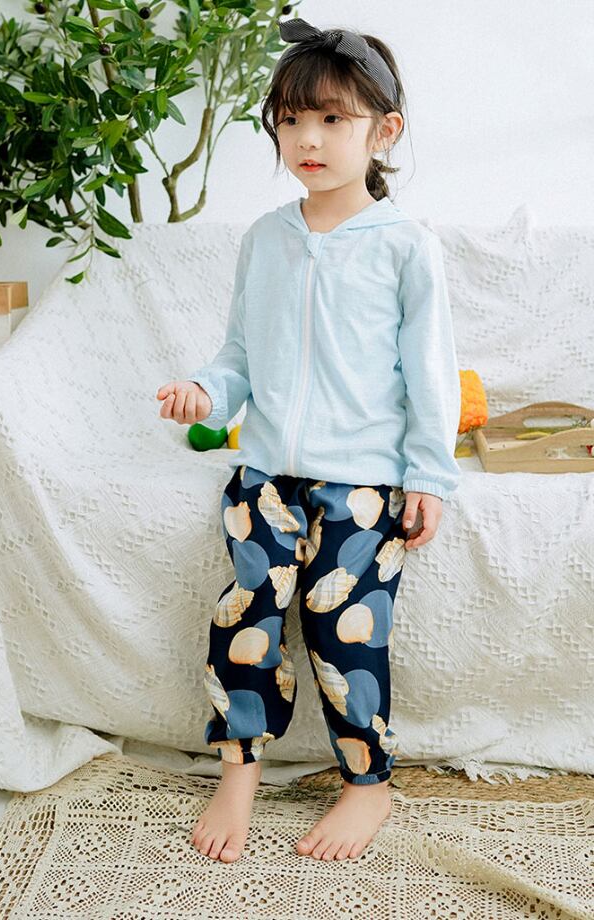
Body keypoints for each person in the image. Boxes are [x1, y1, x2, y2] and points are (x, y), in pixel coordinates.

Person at [156, 15, 461, 864]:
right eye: (290, 120)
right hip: (265, 475)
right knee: (246, 610)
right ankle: (239, 769)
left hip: (363, 482)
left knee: (343, 624)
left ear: (383, 131)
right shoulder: (266, 239)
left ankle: (368, 782)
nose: (307, 139)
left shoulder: (406, 248)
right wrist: (205, 392)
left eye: (331, 118)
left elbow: (430, 376)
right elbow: (239, 356)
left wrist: (430, 478)